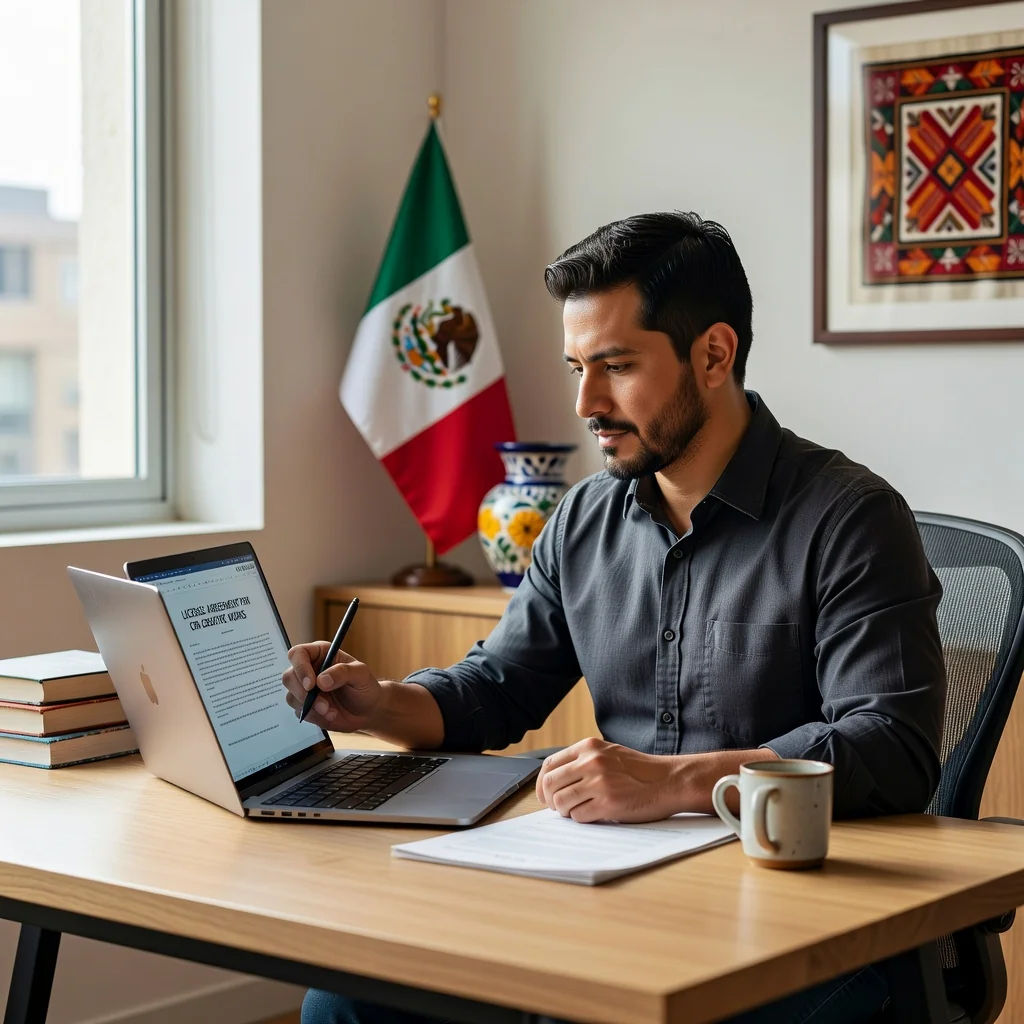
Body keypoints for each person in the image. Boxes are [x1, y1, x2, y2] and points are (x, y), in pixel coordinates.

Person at [284, 212, 947, 1024]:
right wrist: (381, 702)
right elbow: (499, 685)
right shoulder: (583, 519)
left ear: (713, 355)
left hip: (790, 919)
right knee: (344, 1005)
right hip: (607, 894)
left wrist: (672, 783)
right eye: (576, 367)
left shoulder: (851, 517)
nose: (586, 403)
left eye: (616, 366)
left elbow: (892, 744)